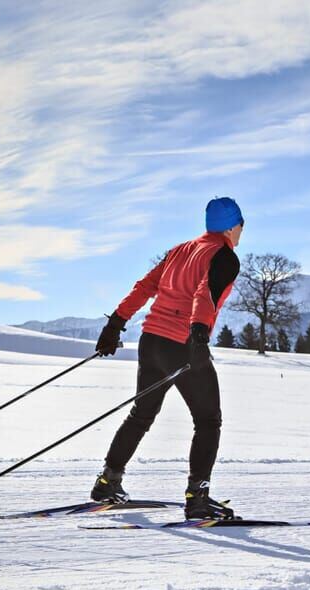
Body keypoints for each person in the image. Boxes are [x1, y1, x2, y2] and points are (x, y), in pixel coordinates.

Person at [92, 197, 244, 519]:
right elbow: (205, 293)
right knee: (208, 421)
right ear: (234, 226)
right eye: (241, 226)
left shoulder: (180, 250)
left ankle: (108, 480)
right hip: (182, 344)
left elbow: (146, 286)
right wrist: (200, 334)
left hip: (151, 343)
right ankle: (197, 498)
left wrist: (115, 323)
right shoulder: (224, 256)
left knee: (141, 414)